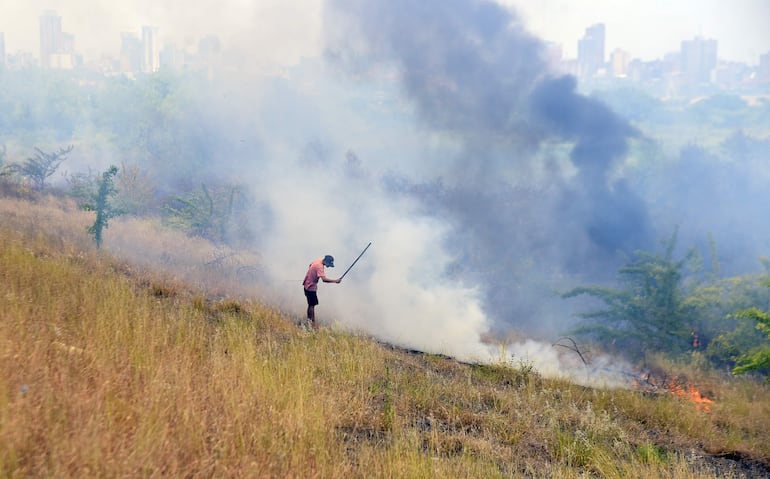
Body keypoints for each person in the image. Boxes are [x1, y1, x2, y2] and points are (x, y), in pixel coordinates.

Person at [302, 254, 341, 329]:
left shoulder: (318, 260)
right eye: (329, 264)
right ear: (326, 261)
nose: (329, 266)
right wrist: (335, 281)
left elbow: (310, 265)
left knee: (310, 304)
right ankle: (312, 324)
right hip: (310, 287)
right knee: (312, 305)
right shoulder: (320, 267)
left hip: (306, 284)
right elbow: (324, 280)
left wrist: (312, 274)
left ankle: (309, 321)